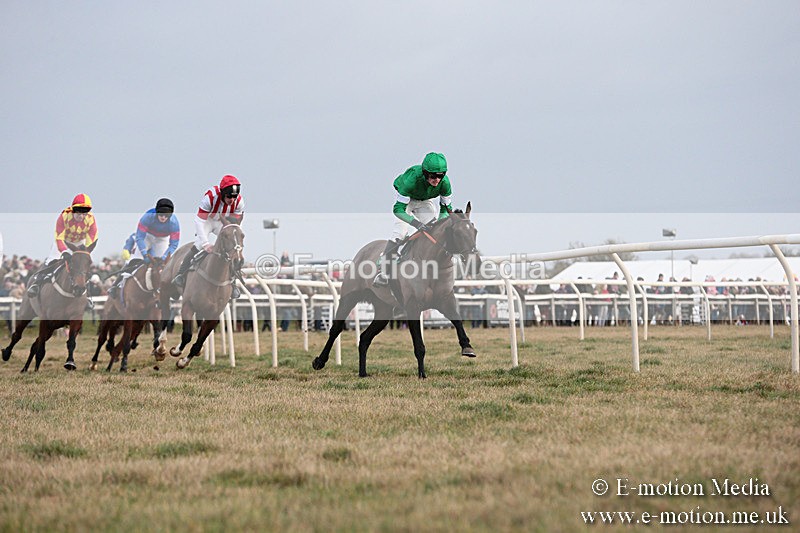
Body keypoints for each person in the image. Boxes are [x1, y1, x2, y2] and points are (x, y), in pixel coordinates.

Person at [374, 152, 453, 286]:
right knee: (400, 232)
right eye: (433, 176)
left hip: (423, 201)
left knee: (434, 228)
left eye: (441, 176)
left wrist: (439, 225)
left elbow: (445, 210)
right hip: (407, 201)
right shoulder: (411, 181)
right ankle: (383, 270)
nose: (437, 180)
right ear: (425, 173)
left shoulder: (445, 184)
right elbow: (398, 210)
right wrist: (415, 223)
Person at [172, 175, 244, 298]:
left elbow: (235, 224)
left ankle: (233, 283)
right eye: (229, 196)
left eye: (234, 196)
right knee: (199, 244)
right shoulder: (210, 197)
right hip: (207, 221)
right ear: (222, 193)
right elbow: (199, 221)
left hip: (223, 223)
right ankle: (181, 274)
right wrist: (206, 244)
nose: (231, 200)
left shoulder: (239, 202)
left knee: (232, 249)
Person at [27, 193, 98, 297]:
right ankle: (36, 284)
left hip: (79, 243)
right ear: (73, 210)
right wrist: (64, 251)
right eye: (79, 213)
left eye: (84, 214)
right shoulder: (64, 216)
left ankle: (89, 297)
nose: (81, 216)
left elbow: (91, 238)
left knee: (83, 265)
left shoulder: (91, 219)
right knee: (51, 260)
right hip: (64, 241)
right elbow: (59, 237)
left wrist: (85, 252)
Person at [108, 198, 180, 298]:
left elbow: (173, 245)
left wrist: (164, 257)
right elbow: (139, 237)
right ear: (156, 212)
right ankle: (115, 285)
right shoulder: (147, 217)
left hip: (162, 239)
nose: (163, 217)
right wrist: (144, 254)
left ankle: (172, 290)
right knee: (134, 260)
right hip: (147, 236)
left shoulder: (174, 223)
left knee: (164, 265)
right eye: (161, 214)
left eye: (166, 215)